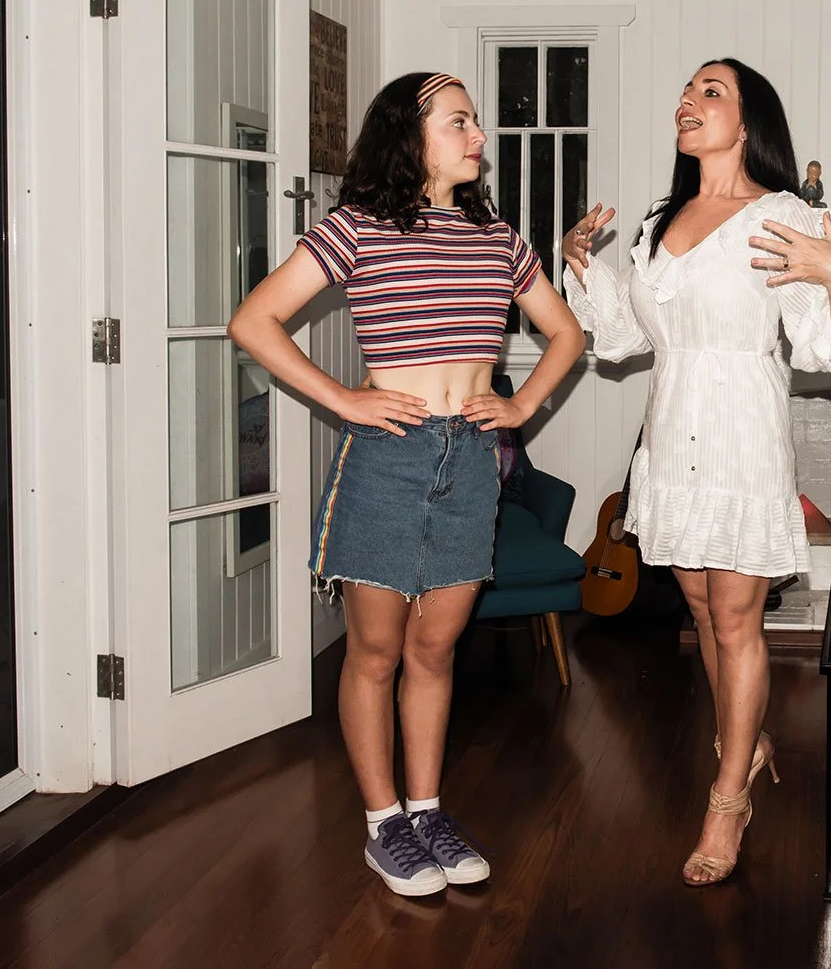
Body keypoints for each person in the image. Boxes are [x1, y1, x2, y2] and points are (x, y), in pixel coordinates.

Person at [227, 72, 586, 898]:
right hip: (386, 460)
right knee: (377, 651)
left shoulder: (498, 239)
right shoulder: (356, 227)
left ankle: (426, 811)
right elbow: (253, 319)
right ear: (409, 134)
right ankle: (382, 822)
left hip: (471, 463)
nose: (478, 136)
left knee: (434, 649)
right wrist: (343, 396)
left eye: (475, 122)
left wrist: (520, 404)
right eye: (459, 121)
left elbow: (566, 332)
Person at [560, 58, 831, 887]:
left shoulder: (782, 216)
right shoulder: (659, 220)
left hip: (742, 433)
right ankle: (743, 742)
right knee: (704, 608)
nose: (688, 99)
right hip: (670, 434)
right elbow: (626, 336)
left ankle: (727, 796)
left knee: (737, 616)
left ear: (748, 124)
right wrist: (583, 265)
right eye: (686, 89)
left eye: (711, 91)